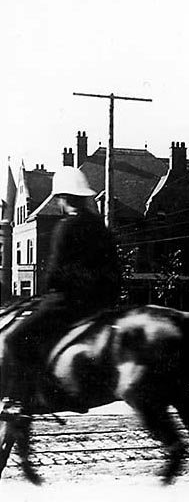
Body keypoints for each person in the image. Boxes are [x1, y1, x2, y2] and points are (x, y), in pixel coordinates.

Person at [1, 167, 120, 418]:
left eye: (60, 199)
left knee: (16, 339)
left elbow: (55, 273)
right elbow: (114, 272)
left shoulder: (65, 227)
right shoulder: (100, 227)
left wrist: (45, 294)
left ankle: (17, 400)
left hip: (68, 304)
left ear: (63, 199)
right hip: (101, 306)